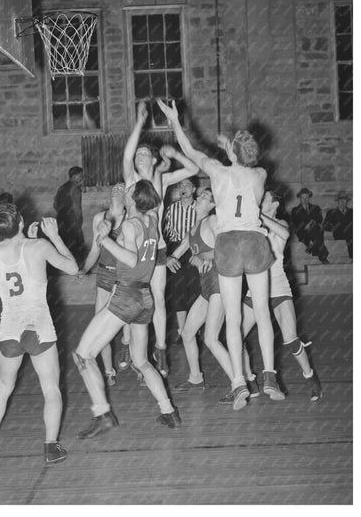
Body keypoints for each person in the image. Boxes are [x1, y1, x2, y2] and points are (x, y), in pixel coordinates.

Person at [158, 99, 284, 410]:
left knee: (234, 317)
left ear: (230, 154)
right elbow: (245, 160)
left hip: (228, 243)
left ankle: (239, 381)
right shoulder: (260, 176)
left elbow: (190, 151)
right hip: (255, 242)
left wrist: (175, 120)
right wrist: (233, 146)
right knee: (263, 313)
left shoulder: (217, 172)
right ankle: (269, 375)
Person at [72, 179, 181, 439]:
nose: (125, 193)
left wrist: (104, 239)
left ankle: (103, 414)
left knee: (82, 355)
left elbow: (132, 259)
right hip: (145, 296)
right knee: (141, 360)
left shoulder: (131, 226)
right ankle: (169, 412)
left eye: (128, 191)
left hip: (127, 294)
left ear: (132, 200)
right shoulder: (151, 221)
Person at [0, 204, 78, 464]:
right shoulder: (39, 247)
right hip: (37, 325)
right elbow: (72, 268)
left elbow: (18, 259)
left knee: (3, 386)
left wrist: (30, 238)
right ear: (21, 221)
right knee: (51, 389)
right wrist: (54, 237)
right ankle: (50, 448)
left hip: (9, 328)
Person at [122, 100, 198, 378]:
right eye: (138, 154)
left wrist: (173, 152)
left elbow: (192, 169)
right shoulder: (131, 180)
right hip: (133, 248)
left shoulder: (163, 181)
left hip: (158, 248)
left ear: (154, 160)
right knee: (135, 302)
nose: (139, 156)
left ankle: (162, 351)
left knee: (158, 300)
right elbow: (127, 154)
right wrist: (139, 123)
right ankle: (129, 347)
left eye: (145, 154)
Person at [169, 187, 258, 405]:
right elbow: (180, 249)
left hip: (220, 283)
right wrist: (167, 258)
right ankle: (196, 378)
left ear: (212, 205)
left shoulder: (214, 220)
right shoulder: (194, 228)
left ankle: (239, 386)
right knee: (188, 333)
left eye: (206, 197)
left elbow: (230, 245)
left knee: (210, 337)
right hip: (207, 287)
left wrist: (210, 256)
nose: (200, 198)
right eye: (201, 195)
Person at [241, 190, 322, 401]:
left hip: (278, 289)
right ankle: (250, 379)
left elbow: (285, 235)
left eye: (265, 198)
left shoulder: (281, 224)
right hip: (255, 289)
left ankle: (310, 377)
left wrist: (258, 216)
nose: (260, 200)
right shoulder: (254, 225)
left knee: (291, 340)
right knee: (235, 335)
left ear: (275, 205)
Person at [79, 182, 131, 385]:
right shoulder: (99, 218)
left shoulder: (131, 219)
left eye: (122, 187)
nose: (117, 189)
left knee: (130, 323)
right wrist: (84, 269)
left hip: (124, 277)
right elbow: (94, 250)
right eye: (115, 187)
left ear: (128, 195)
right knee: (99, 323)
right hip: (104, 275)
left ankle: (135, 358)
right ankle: (109, 371)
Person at [163, 178, 201, 341]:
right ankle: (181, 329)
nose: (183, 187)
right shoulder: (171, 209)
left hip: (195, 250)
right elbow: (165, 233)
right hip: (176, 249)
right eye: (180, 185)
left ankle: (193, 329)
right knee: (177, 290)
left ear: (193, 189)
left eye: (186, 185)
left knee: (194, 289)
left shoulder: (199, 207)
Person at [53, 166, 85, 267]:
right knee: (78, 244)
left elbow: (55, 204)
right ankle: (79, 267)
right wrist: (79, 220)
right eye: (80, 176)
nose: (82, 178)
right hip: (72, 219)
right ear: (75, 176)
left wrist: (61, 214)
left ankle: (65, 267)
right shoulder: (75, 188)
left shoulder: (61, 187)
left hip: (61, 219)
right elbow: (77, 206)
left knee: (64, 244)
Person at [291, 187, 329, 264]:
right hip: (303, 231)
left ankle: (312, 245)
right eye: (303, 197)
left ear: (309, 198)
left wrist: (312, 222)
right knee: (316, 232)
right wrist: (305, 225)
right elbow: (295, 223)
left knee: (315, 229)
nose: (305, 200)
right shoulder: (295, 210)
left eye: (307, 197)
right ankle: (322, 256)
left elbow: (320, 218)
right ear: (300, 198)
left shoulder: (315, 207)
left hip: (314, 230)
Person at [323, 191, 353, 261]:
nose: (343, 202)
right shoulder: (331, 212)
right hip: (339, 232)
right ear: (338, 201)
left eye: (344, 200)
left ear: (347, 201)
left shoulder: (352, 212)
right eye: (341, 200)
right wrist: (333, 228)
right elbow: (325, 225)